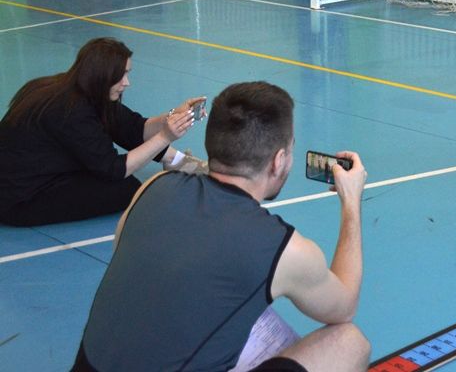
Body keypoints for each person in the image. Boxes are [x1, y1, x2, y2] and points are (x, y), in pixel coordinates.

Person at [73, 81, 370, 372]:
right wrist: (351, 201)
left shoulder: (155, 186)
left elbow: (123, 252)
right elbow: (344, 306)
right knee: (349, 343)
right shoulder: (282, 247)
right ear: (279, 161)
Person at [0, 37, 207, 227]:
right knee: (125, 189)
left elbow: (134, 127)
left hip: (30, 174)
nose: (127, 82)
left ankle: (176, 160)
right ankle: (175, 161)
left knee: (122, 141)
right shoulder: (71, 111)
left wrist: (173, 115)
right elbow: (115, 169)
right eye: (121, 76)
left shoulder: (78, 87)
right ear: (102, 74)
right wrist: (165, 137)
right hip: (20, 200)